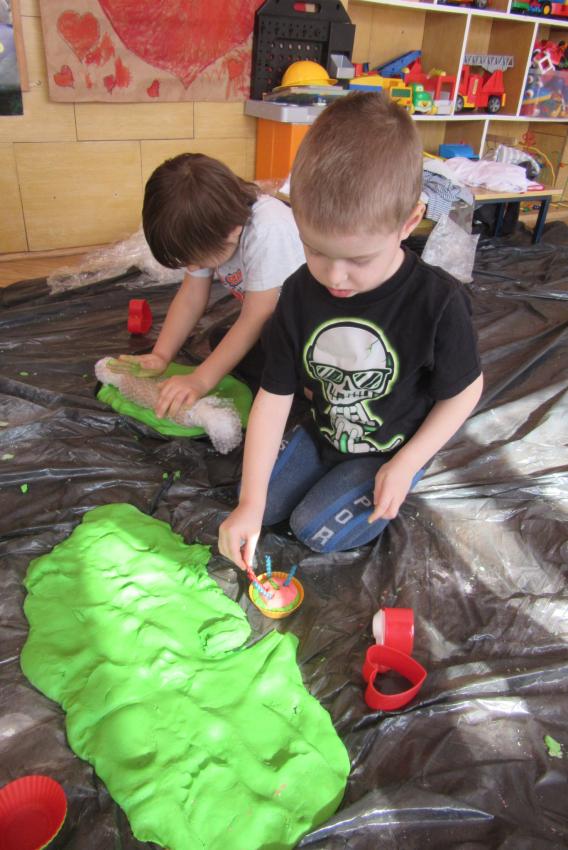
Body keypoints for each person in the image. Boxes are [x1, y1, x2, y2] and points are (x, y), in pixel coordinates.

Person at [218, 92, 484, 564]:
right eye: (315, 250)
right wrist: (250, 503)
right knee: (258, 502)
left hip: (389, 449)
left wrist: (406, 463)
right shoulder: (298, 293)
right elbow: (274, 397)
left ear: (410, 222)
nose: (335, 277)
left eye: (359, 259)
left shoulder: (437, 303)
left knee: (312, 529)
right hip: (324, 431)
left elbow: (464, 392)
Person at [115, 153, 305, 418]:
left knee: (264, 336)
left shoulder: (268, 229)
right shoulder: (214, 224)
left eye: (197, 260)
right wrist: (161, 354)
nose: (193, 268)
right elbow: (191, 296)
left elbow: (257, 316)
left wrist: (200, 380)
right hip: (277, 325)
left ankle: (306, 387)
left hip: (315, 330)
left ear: (232, 231)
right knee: (223, 340)